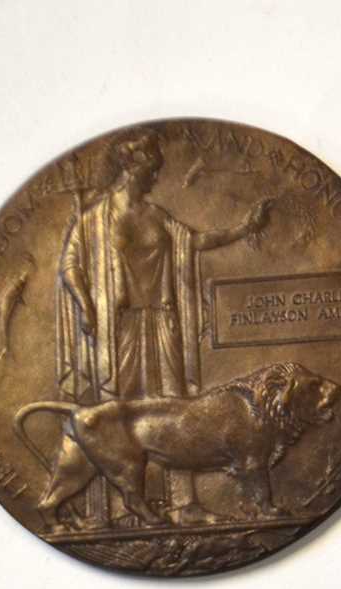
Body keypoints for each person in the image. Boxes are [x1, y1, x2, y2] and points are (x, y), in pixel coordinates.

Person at [57, 130, 270, 526]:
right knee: (117, 411)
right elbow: (71, 265)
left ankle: (184, 503)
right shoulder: (93, 219)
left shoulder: (156, 216)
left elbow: (194, 242)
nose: (156, 174)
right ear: (131, 167)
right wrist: (86, 305)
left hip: (160, 321)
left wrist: (243, 229)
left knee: (175, 409)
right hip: (117, 327)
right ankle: (118, 507)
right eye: (151, 167)